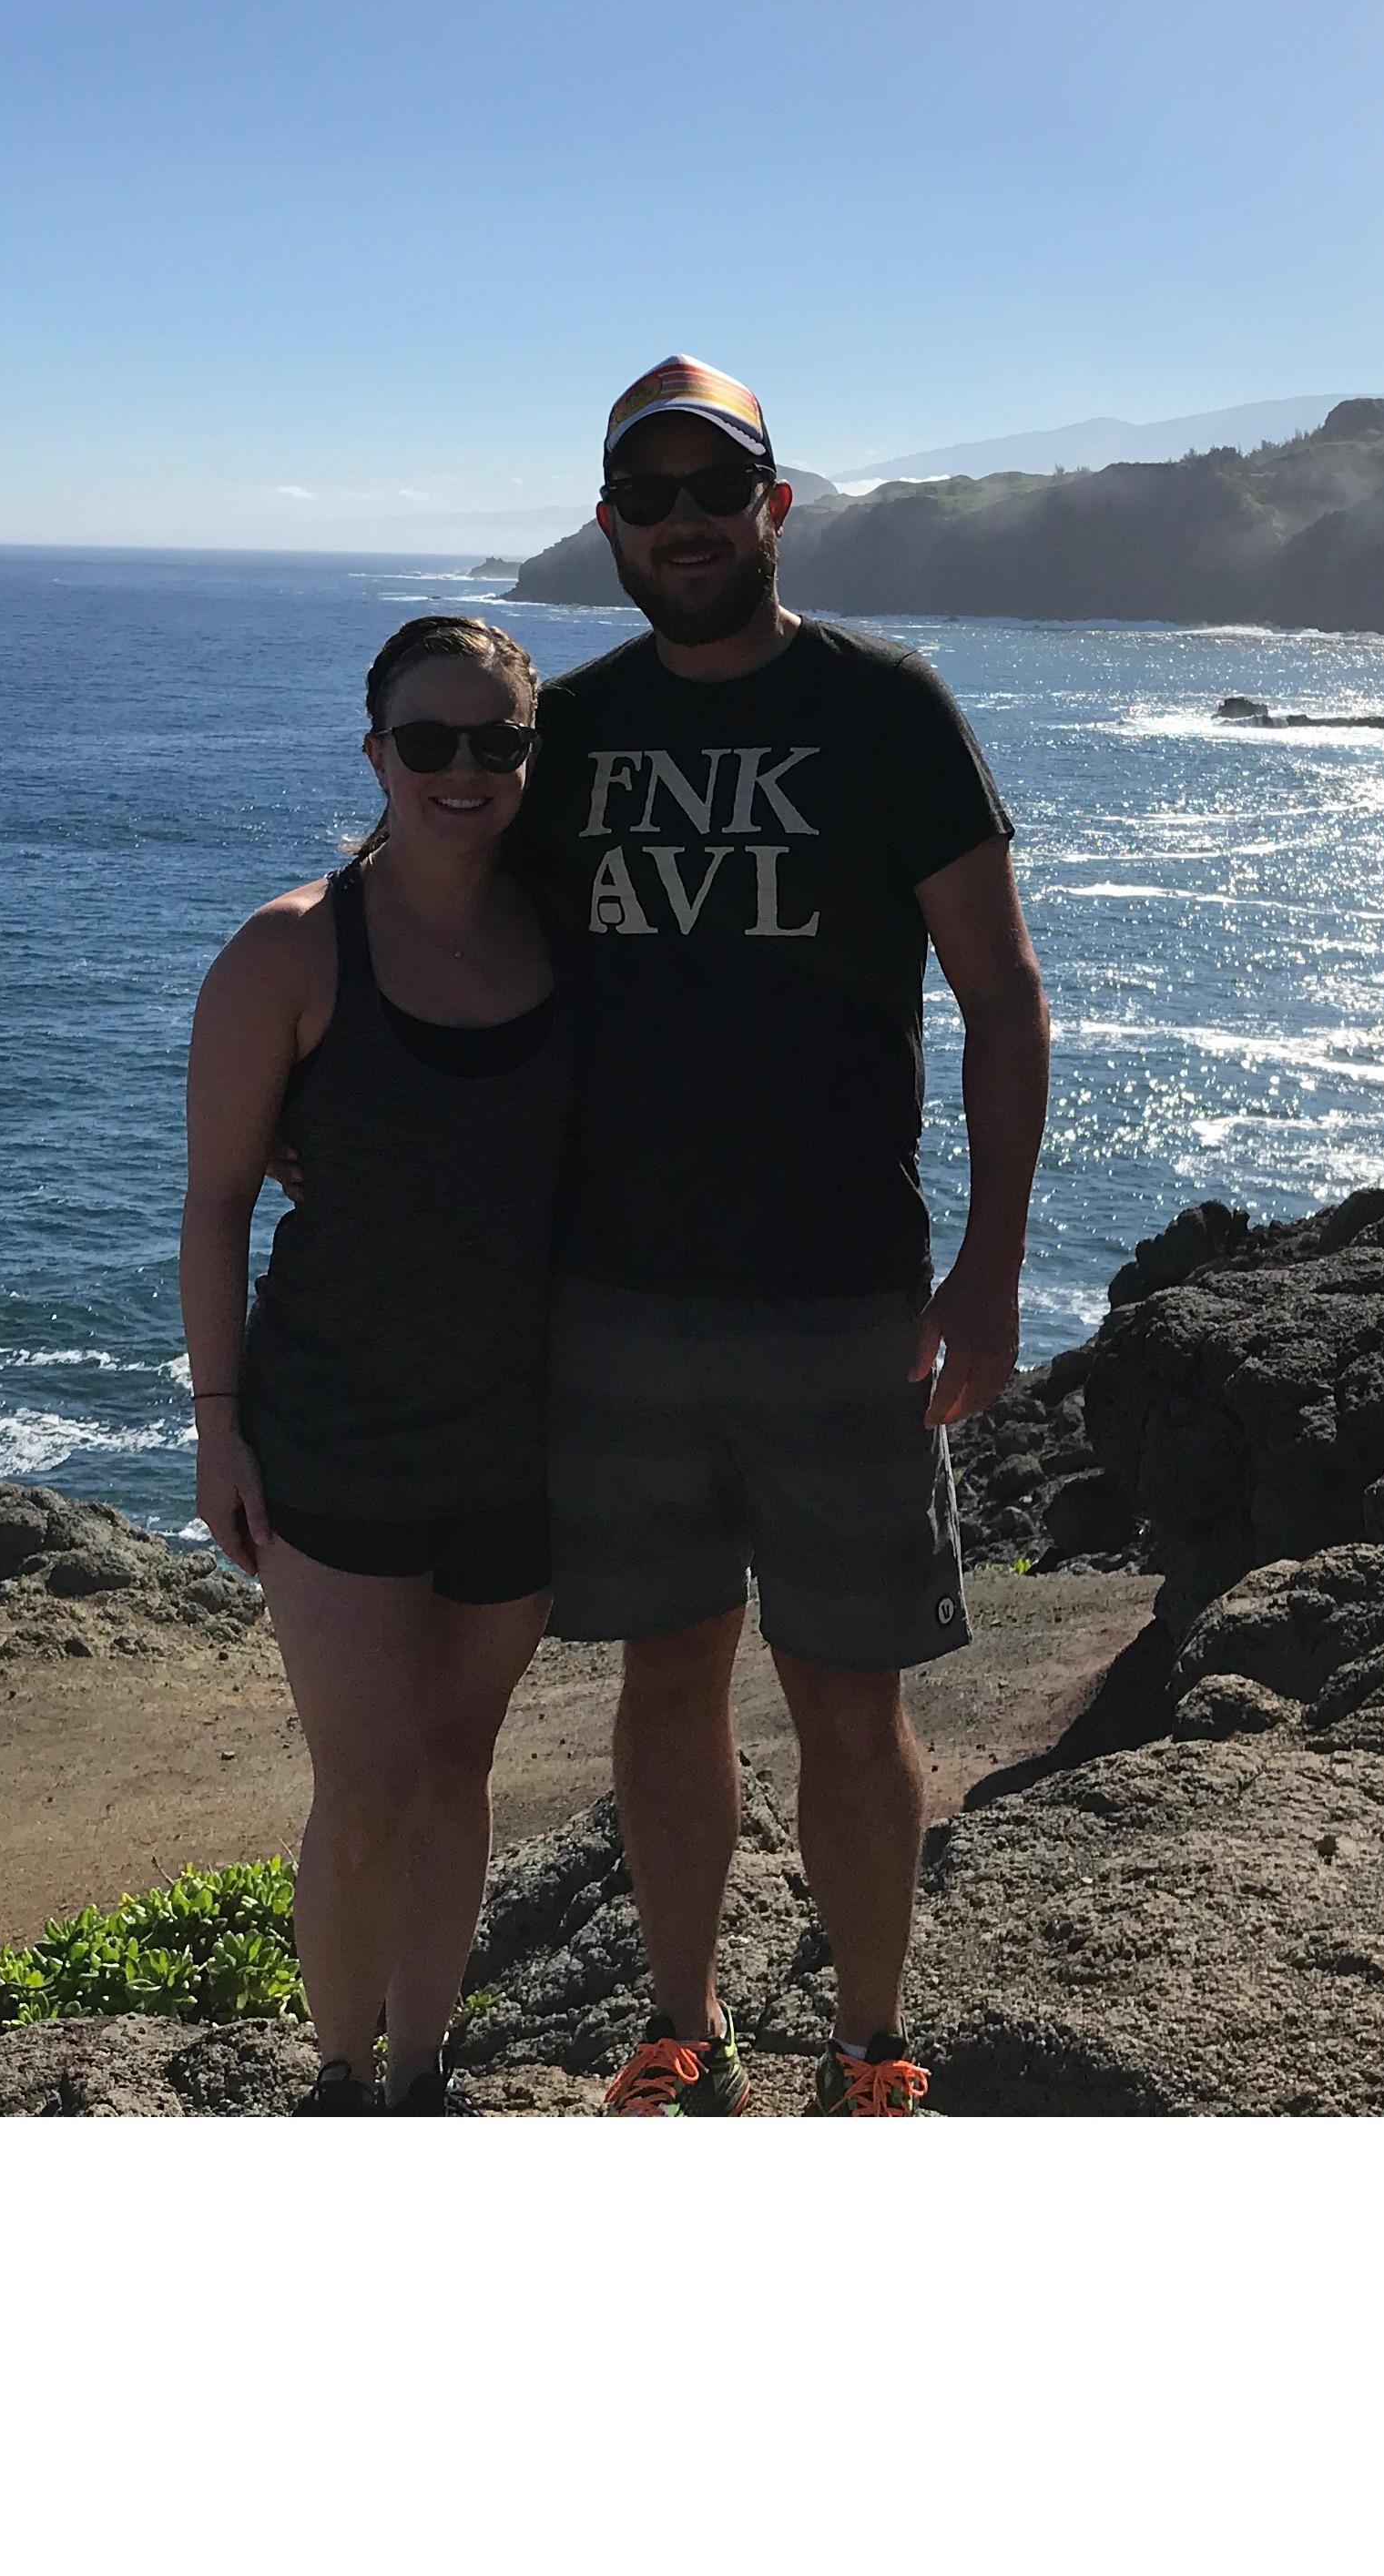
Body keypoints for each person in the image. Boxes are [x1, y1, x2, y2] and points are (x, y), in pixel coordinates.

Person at [522, 355, 1050, 2117]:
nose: (682, 523)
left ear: (776, 503)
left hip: (844, 1299)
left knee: (848, 1686)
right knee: (668, 1680)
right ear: (612, 525)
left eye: (711, 490)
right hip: (617, 1302)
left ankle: (870, 2044)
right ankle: (684, 2027)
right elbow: (439, 932)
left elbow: (1002, 996)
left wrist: (989, 1269)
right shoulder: (570, 735)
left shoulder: (889, 711)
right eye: (648, 499)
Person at [180, 615, 571, 2115]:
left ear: (529, 758)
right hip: (336, 1428)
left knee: (459, 1767)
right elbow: (216, 1207)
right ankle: (336, 2087)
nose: (462, 769)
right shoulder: (290, 950)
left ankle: (423, 2073)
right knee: (366, 1787)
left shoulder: (566, 933)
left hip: (518, 1434)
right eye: (429, 741)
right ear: (376, 755)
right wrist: (221, 1429)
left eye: (497, 742)